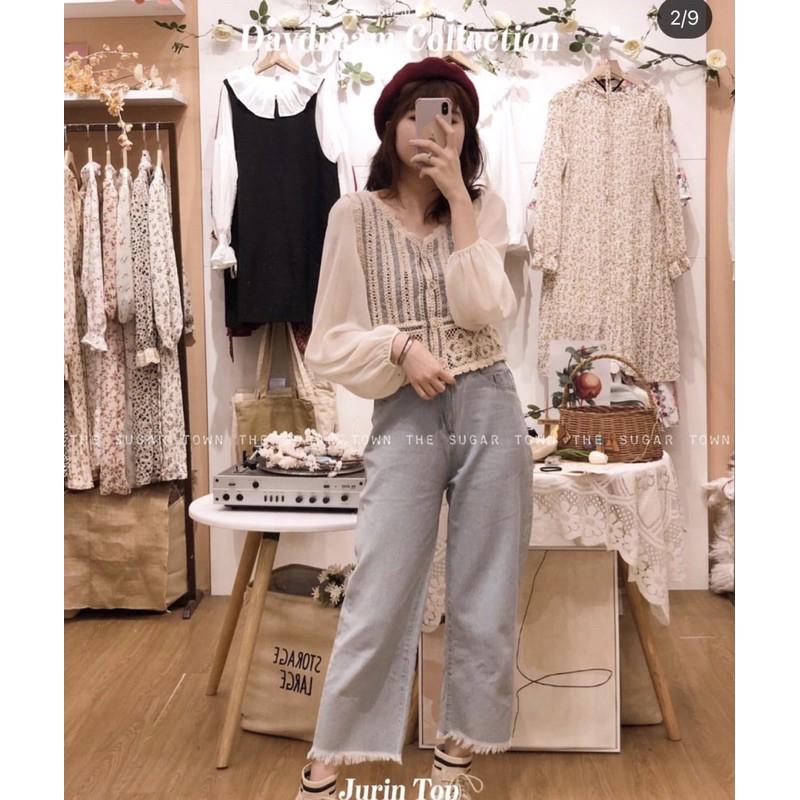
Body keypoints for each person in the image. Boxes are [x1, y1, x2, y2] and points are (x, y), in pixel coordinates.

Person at [297, 57, 534, 800]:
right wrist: (399, 347)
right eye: (418, 113)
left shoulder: (485, 207)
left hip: (490, 404)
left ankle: (456, 755)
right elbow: (329, 340)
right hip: (406, 413)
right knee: (379, 586)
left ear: (467, 132)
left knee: (487, 586)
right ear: (391, 126)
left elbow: (483, 308)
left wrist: (460, 199)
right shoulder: (352, 215)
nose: (436, 127)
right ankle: (327, 763)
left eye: (452, 115)